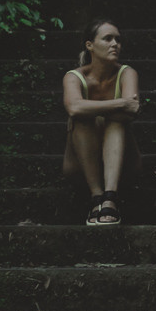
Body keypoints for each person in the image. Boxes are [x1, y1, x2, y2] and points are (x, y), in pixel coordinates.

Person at [61, 17, 140, 225]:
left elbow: (132, 111)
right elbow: (74, 108)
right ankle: (97, 196)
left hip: (123, 165)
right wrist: (121, 103)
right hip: (79, 166)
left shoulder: (127, 73)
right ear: (90, 45)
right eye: (108, 39)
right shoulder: (74, 77)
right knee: (81, 120)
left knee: (116, 122)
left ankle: (110, 198)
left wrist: (91, 109)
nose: (115, 44)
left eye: (118, 40)